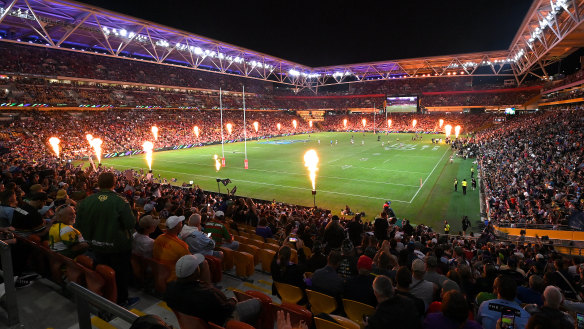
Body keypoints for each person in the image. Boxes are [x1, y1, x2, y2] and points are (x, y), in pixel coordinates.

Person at [76, 172, 137, 307]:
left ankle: (105, 294)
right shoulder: (120, 201)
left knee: (102, 271)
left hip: (95, 245)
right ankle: (121, 300)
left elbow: (78, 225)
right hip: (118, 247)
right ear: (114, 183)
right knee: (120, 274)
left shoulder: (87, 201)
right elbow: (130, 224)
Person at [164, 254, 260, 326]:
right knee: (257, 303)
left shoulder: (170, 288)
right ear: (194, 273)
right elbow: (227, 309)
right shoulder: (207, 294)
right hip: (220, 321)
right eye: (198, 267)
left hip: (195, 322)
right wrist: (233, 301)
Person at [153, 215, 190, 282]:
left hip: (157, 275)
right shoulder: (182, 246)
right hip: (171, 279)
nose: (182, 224)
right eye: (181, 223)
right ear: (176, 228)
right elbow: (188, 266)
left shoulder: (159, 238)